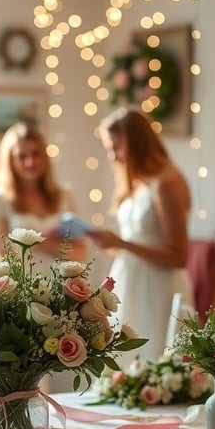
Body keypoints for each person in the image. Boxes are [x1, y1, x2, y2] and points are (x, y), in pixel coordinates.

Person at [89, 107, 194, 362]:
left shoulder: (166, 182)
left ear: (136, 144)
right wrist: (112, 244)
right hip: (130, 283)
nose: (113, 157)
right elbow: (137, 242)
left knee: (152, 356)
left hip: (157, 287)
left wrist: (123, 243)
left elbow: (179, 256)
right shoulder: (137, 182)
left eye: (117, 147)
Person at [0, 122, 87, 267]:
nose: (30, 162)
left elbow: (81, 252)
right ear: (10, 161)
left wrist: (38, 243)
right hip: (21, 281)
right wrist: (55, 244)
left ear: (44, 156)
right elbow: (1, 257)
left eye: (35, 154)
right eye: (21, 156)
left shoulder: (64, 195)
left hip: (64, 280)